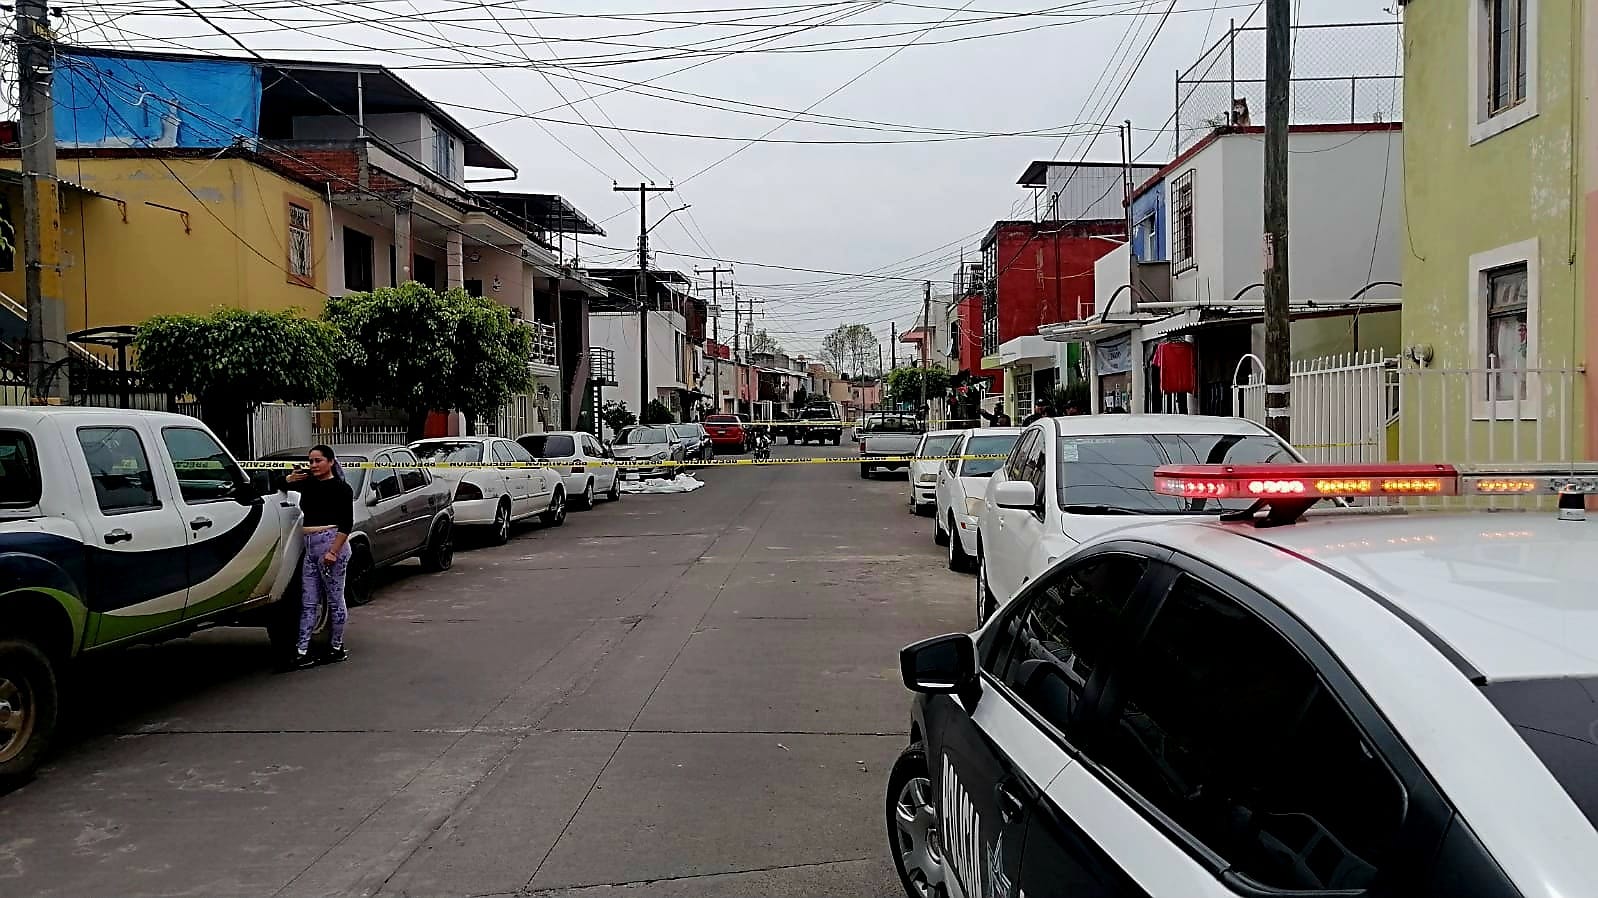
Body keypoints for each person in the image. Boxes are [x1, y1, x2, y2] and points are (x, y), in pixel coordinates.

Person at [285, 445, 354, 670]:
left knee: (334, 598)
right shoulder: (308, 484)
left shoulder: (341, 489)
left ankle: (336, 646)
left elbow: (346, 523)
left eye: (318, 461)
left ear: (331, 462)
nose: (313, 465)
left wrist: (333, 551)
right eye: (311, 461)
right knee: (308, 601)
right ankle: (302, 650)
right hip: (310, 547)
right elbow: (278, 485)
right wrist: (289, 478)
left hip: (331, 543)